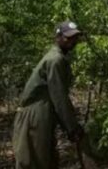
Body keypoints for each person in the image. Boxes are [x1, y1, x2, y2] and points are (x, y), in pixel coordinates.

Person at [12, 21, 86, 168]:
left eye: (75, 37)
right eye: (68, 37)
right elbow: (59, 97)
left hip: (42, 114)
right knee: (34, 162)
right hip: (35, 117)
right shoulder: (55, 60)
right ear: (58, 37)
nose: (72, 41)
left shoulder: (57, 57)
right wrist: (72, 128)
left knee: (47, 160)